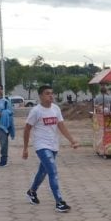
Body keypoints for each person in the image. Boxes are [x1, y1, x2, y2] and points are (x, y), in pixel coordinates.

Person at [23, 85, 80, 213]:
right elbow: (27, 129)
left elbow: (61, 126)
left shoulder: (55, 109)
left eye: (51, 93)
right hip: (41, 146)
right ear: (41, 96)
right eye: (47, 93)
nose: (51, 96)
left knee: (43, 172)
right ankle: (59, 202)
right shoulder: (36, 111)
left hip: (54, 145)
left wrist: (72, 140)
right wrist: (25, 148)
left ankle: (32, 192)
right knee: (53, 171)